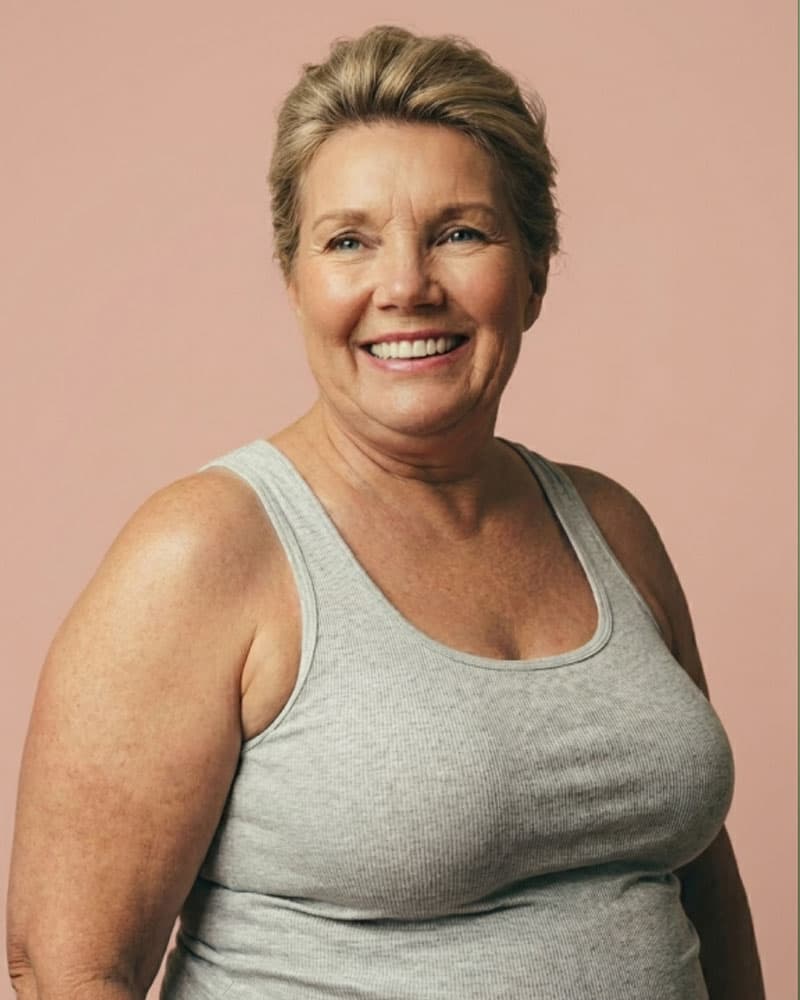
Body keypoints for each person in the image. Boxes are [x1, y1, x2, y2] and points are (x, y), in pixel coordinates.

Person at [7, 24, 764, 1000]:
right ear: (295, 279)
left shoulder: (607, 524)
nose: (404, 284)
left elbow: (697, 875)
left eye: (459, 231)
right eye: (348, 241)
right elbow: (66, 969)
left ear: (532, 269)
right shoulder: (206, 550)